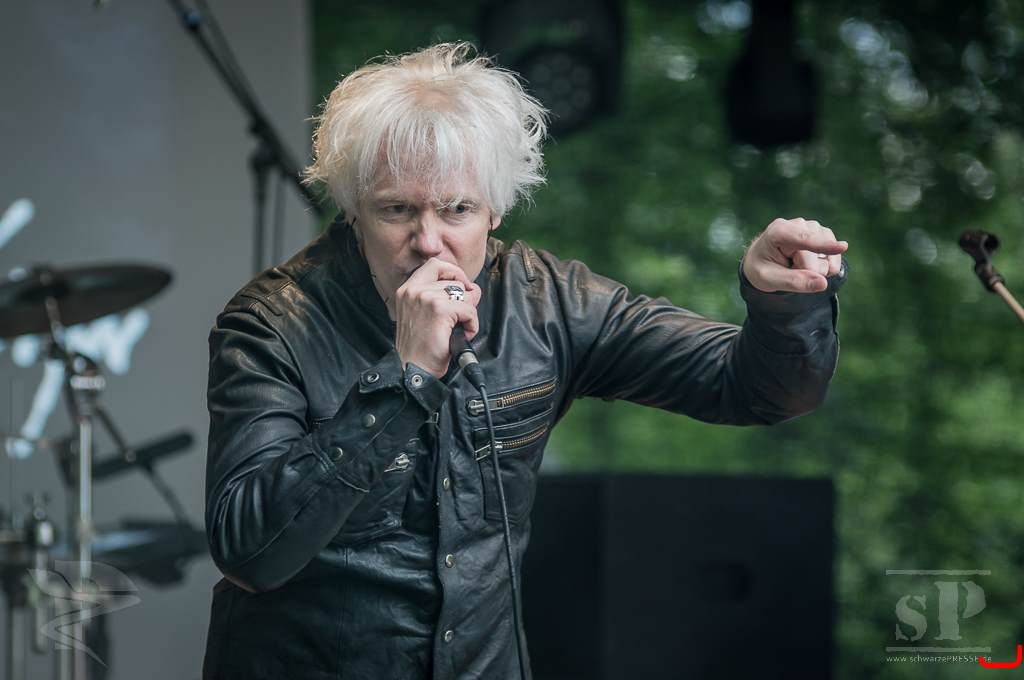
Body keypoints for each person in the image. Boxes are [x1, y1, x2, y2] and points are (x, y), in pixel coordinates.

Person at [201, 42, 848, 680]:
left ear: (497, 208)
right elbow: (250, 551)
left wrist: (782, 304)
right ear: (352, 209)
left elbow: (757, 389)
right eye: (396, 209)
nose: (429, 242)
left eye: (457, 209)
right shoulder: (271, 323)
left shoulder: (548, 302)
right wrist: (405, 377)